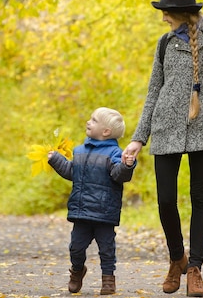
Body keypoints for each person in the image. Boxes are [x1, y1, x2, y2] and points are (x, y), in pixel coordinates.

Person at [121, 0, 203, 297]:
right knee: (166, 200)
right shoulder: (164, 43)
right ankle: (177, 258)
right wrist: (137, 138)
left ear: (183, 14)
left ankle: (195, 268)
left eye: (167, 14)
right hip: (165, 129)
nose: (163, 19)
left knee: (200, 199)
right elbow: (153, 91)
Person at [48, 107, 137, 295]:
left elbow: (118, 174)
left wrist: (126, 165)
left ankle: (108, 280)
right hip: (82, 212)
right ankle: (77, 271)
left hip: (104, 213)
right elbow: (72, 172)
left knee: (107, 249)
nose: (89, 122)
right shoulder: (79, 151)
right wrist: (56, 159)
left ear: (106, 131)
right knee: (76, 247)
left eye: (94, 120)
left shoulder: (114, 152)